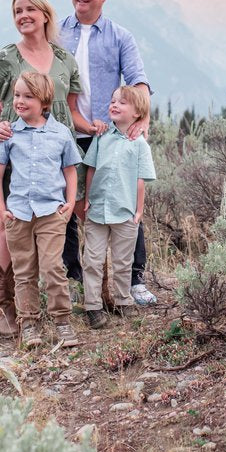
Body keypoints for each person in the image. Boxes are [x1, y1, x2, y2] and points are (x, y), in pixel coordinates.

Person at [0, 0, 92, 337]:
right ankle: (6, 307)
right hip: (17, 146)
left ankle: (75, 303)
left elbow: (71, 110)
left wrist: (98, 129)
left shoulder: (64, 60)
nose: (23, 15)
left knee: (62, 216)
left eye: (29, 9)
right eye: (17, 11)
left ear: (45, 15)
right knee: (7, 222)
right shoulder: (6, 58)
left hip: (57, 146)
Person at [58, 0, 158, 306]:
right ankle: (73, 275)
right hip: (65, 131)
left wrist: (143, 117)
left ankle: (134, 280)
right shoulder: (56, 33)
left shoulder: (120, 37)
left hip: (107, 135)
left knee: (123, 199)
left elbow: (138, 80)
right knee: (69, 203)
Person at [0, 71, 82, 348]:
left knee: (53, 267)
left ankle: (62, 321)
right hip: (18, 214)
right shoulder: (9, 133)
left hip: (51, 213)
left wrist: (70, 203)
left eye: (28, 96)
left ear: (44, 102)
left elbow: (70, 171)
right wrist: (1, 211)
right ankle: (29, 324)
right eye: (17, 95)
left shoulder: (61, 133)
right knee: (24, 271)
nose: (20, 101)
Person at [81, 86, 156, 328]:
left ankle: (123, 300)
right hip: (97, 209)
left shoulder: (139, 144)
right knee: (92, 260)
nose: (114, 105)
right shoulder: (101, 137)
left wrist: (139, 210)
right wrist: (88, 198)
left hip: (125, 211)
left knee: (123, 261)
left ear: (137, 113)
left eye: (122, 102)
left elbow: (140, 179)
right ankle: (93, 306)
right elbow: (91, 168)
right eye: (113, 101)